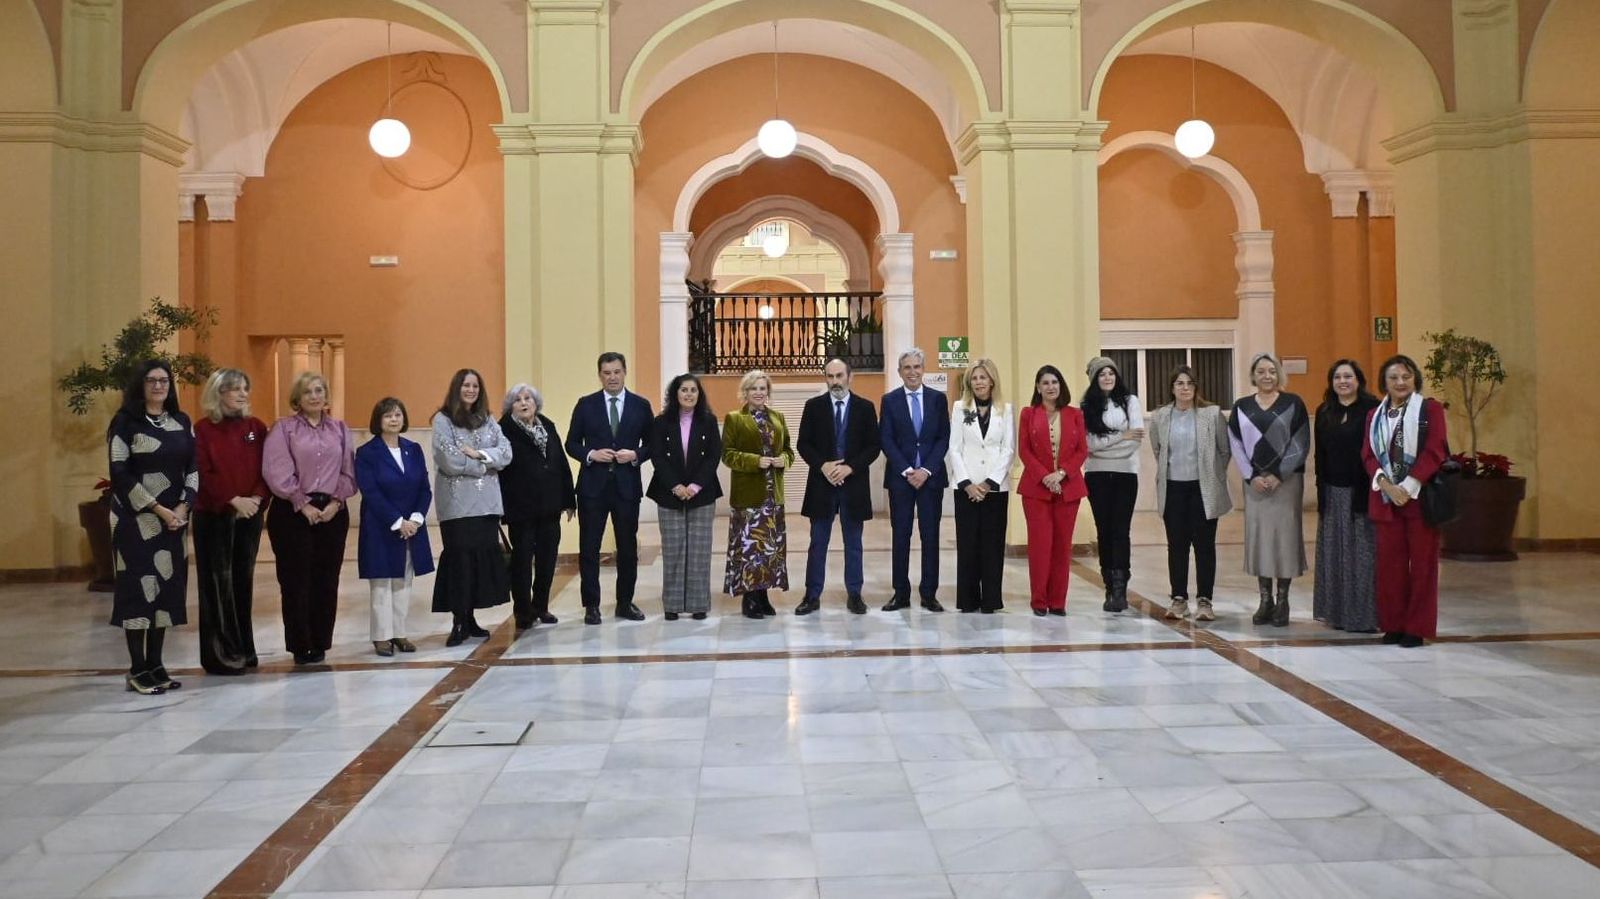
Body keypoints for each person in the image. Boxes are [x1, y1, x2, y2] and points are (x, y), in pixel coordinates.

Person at [107, 360, 197, 694]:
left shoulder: (181, 422)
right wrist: (158, 509)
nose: (159, 386)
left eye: (164, 380)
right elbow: (120, 473)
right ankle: (136, 668)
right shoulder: (125, 424)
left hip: (175, 520)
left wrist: (183, 506)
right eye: (151, 380)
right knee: (137, 589)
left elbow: (193, 467)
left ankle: (156, 664)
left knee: (166, 590)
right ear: (140, 385)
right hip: (136, 520)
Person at [264, 371, 356, 666]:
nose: (315, 396)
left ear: (326, 396)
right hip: (292, 512)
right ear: (298, 399)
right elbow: (275, 469)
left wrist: (336, 501)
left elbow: (348, 470)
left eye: (319, 390)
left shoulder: (339, 429)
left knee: (326, 580)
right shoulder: (284, 429)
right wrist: (301, 502)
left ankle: (320, 641)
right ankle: (300, 644)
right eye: (308, 392)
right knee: (295, 581)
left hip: (332, 511)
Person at [1362, 354, 1449, 648]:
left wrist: (1408, 486)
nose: (1400, 382)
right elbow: (1368, 455)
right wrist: (1387, 484)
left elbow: (1436, 450)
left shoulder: (1429, 409)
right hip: (1386, 499)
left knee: (1423, 566)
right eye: (1394, 377)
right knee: (1390, 567)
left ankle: (1416, 627)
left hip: (1419, 499)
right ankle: (1394, 624)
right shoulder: (1374, 416)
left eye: (1406, 376)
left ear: (1415, 379)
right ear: (1383, 383)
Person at [566, 352, 654, 624]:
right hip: (593, 488)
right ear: (600, 375)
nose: (612, 377)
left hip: (627, 487)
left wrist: (636, 455)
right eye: (607, 373)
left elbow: (652, 444)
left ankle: (625, 602)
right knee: (589, 548)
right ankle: (591, 605)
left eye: (617, 372)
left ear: (624, 372)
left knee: (627, 548)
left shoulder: (641, 405)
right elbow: (571, 443)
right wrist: (591, 454)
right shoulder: (586, 404)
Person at [192, 367, 269, 675]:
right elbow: (201, 471)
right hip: (214, 516)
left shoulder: (256, 427)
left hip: (249, 515)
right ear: (218, 393)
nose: (242, 394)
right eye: (235, 388)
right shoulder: (202, 429)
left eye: (244, 388)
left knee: (242, 582)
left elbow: (268, 468)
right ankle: (221, 654)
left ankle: (245, 649)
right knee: (216, 586)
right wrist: (231, 500)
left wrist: (256, 499)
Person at [1228, 352, 1311, 627]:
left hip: (1286, 484)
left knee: (1284, 539)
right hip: (1255, 484)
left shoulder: (1293, 404)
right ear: (1253, 375)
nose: (1267, 376)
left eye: (1272, 371)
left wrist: (1278, 474)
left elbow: (1300, 442)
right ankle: (1265, 600)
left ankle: (1283, 600)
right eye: (1261, 371)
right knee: (1260, 539)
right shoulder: (1242, 407)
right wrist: (1251, 476)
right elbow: (1235, 445)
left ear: (1279, 375)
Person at [431, 368, 512, 646]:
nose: (471, 390)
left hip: (487, 505)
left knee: (480, 562)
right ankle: (458, 619)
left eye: (475, 386)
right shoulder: (443, 420)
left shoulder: (487, 419)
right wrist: (484, 465)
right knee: (460, 562)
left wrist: (478, 454)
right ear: (457, 388)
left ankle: (472, 617)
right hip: (456, 505)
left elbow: (506, 452)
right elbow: (448, 460)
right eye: (466, 385)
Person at [795, 357, 880, 615]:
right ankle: (812, 595)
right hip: (822, 485)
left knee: (853, 543)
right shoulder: (813, 407)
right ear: (825, 378)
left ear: (849, 377)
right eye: (830, 376)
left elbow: (873, 446)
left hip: (853, 486)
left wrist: (850, 467)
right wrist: (823, 466)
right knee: (818, 542)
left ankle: (855, 593)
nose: (835, 382)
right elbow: (804, 444)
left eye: (839, 376)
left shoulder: (865, 408)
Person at [1149, 366, 1233, 622]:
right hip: (1174, 487)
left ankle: (1205, 600)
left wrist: (1213, 476)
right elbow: (1158, 449)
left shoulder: (1211, 414)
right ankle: (1179, 599)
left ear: (1196, 387)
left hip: (1202, 488)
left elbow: (1224, 450)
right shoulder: (1162, 416)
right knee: (1177, 545)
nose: (1184, 388)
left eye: (1189, 383)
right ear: (1172, 388)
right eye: (1179, 383)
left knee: (1204, 545)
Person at [355, 398, 433, 656]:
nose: (394, 419)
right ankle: (381, 637)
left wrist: (416, 519)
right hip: (380, 526)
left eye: (398, 414)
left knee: (403, 580)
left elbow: (424, 488)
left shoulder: (414, 449)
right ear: (378, 420)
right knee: (381, 582)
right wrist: (397, 521)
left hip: (411, 526)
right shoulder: (367, 453)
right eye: (388, 415)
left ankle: (399, 633)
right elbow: (370, 491)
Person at [879, 348, 951, 612]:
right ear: (900, 372)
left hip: (931, 480)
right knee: (901, 536)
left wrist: (926, 470)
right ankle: (901, 593)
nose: (912, 372)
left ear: (924, 369)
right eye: (907, 368)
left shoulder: (937, 400)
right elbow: (885, 438)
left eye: (917, 367)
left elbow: (944, 437)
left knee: (930, 536)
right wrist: (907, 469)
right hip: (901, 480)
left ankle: (929, 593)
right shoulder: (890, 400)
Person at [499, 383, 576, 630]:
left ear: (536, 403)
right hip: (520, 508)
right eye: (518, 400)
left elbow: (561, 464)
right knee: (522, 562)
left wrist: (568, 500)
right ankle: (523, 610)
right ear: (511, 406)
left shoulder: (547, 425)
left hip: (550, 505)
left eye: (528, 398)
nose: (523, 403)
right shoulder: (504, 430)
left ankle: (540, 605)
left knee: (547, 559)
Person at [647, 373, 724, 620]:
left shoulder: (709, 421)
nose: (689, 394)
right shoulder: (661, 422)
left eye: (693, 390)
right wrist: (676, 486)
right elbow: (657, 457)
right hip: (669, 494)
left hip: (701, 495)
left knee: (699, 550)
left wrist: (695, 485)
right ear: (675, 394)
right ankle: (672, 605)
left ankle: (698, 604)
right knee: (674, 549)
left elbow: (713, 456)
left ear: (699, 395)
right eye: (684, 390)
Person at [1313, 359, 1381, 632]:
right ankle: (1336, 614)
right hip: (1332, 491)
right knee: (1334, 555)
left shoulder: (1371, 410)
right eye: (1337, 376)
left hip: (1360, 492)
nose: (1343, 381)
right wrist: (1320, 492)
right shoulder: (1324, 411)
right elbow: (1320, 454)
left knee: (1362, 556)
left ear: (1358, 380)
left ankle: (1364, 616)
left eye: (1348, 376)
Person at [722, 369, 794, 619]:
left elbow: (789, 451)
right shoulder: (734, 419)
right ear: (746, 392)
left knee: (769, 550)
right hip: (748, 497)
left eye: (763, 388)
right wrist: (756, 461)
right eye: (754, 388)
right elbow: (728, 455)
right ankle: (749, 599)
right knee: (750, 549)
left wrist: (783, 459)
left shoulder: (778, 417)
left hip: (773, 498)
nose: (759, 393)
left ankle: (763, 595)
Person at [1017, 365, 1089, 616]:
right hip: (1036, 489)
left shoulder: (1075, 414)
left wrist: (1061, 473)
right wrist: (1045, 477)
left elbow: (1082, 450)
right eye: (1045, 383)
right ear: (1038, 387)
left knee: (1062, 546)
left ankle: (1058, 601)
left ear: (1061, 386)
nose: (1051, 387)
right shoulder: (1028, 414)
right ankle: (1039, 600)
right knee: (1040, 546)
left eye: (1055, 382)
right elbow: (1024, 450)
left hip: (1068, 488)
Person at [945, 358, 1013, 613]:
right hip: (966, 488)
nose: (978, 382)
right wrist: (967, 484)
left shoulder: (1005, 409)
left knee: (992, 545)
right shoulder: (960, 408)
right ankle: (968, 599)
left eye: (983, 377)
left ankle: (991, 600)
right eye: (974, 378)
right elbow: (954, 448)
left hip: (994, 488)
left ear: (992, 380)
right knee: (968, 544)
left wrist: (988, 483)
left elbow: (1008, 449)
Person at [1081, 356, 1145, 613]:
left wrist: (1104, 446)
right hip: (1096, 476)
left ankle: (1120, 589)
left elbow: (1136, 440)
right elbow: (1087, 446)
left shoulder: (1130, 401)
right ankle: (1108, 584)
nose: (1107, 377)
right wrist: (1121, 435)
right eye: (1102, 374)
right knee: (1103, 531)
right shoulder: (1086, 406)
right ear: (1094, 379)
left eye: (1111, 373)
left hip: (1124, 475)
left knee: (1120, 530)